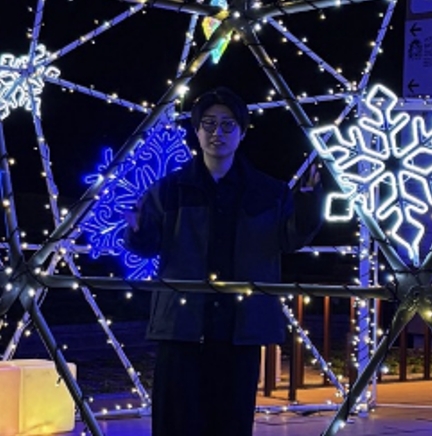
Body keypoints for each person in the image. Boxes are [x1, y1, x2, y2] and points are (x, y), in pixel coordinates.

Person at [123, 86, 323, 436]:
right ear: (197, 130)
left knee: (231, 423)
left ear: (242, 132)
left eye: (228, 125)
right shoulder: (170, 188)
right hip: (182, 328)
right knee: (176, 423)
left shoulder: (269, 192)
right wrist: (137, 231)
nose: (218, 133)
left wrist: (308, 207)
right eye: (209, 124)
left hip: (239, 330)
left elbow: (290, 239)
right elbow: (147, 246)